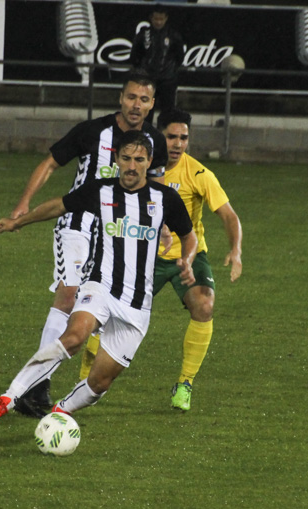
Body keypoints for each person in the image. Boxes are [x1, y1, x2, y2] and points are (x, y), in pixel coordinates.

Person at [0, 130, 197, 425]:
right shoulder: (101, 191)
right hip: (100, 286)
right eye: (126, 158)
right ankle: (8, 397)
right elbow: (59, 205)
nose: (132, 166)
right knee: (74, 337)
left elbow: (189, 235)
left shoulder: (165, 198)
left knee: (100, 383)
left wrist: (188, 259)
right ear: (117, 159)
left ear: (149, 162)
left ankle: (60, 412)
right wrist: (19, 223)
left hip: (136, 306)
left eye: (139, 159)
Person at [8, 69, 169, 419]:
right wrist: (25, 204)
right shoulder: (93, 131)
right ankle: (37, 387)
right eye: (130, 97)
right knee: (68, 294)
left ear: (152, 103)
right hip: (77, 224)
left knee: (95, 309)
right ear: (120, 98)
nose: (136, 105)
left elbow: (158, 189)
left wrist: (165, 226)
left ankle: (46, 383)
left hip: (118, 233)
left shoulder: (155, 141)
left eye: (143, 99)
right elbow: (51, 162)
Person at [79, 108, 243, 411]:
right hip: (140, 255)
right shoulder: (138, 168)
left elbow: (229, 216)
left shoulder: (199, 173)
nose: (178, 144)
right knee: (101, 318)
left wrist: (236, 250)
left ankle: (185, 383)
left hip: (187, 255)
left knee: (204, 305)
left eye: (183, 138)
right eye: (171, 137)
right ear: (159, 137)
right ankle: (85, 381)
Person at [130, 6, 185, 125]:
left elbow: (179, 57)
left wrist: (170, 71)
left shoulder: (173, 35)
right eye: (156, 19)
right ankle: (145, 139)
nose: (158, 22)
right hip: (148, 81)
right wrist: (142, 71)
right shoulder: (144, 34)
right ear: (151, 18)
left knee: (167, 113)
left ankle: (164, 140)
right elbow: (134, 56)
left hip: (167, 80)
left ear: (166, 18)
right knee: (146, 111)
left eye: (161, 19)